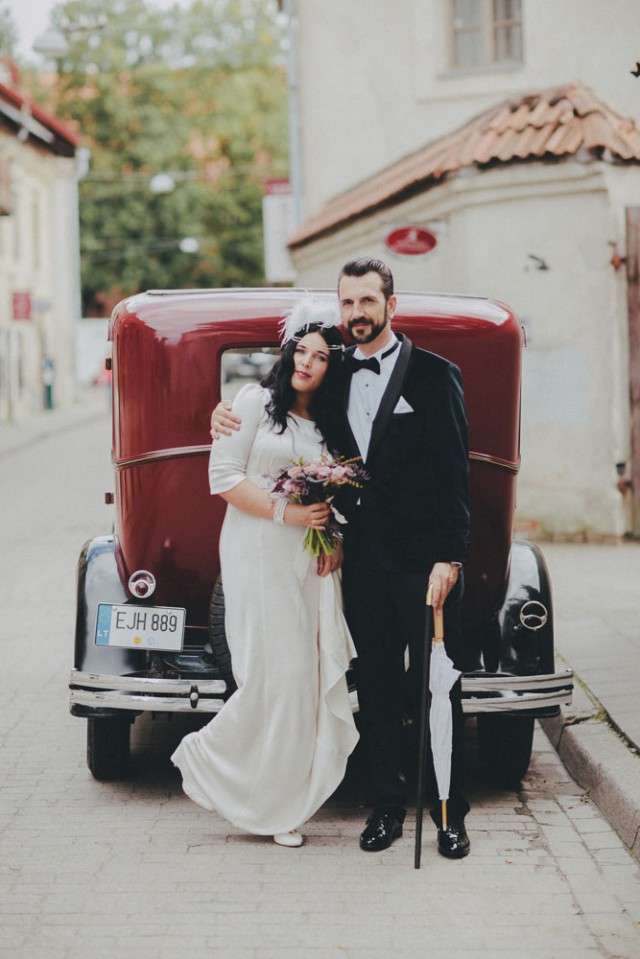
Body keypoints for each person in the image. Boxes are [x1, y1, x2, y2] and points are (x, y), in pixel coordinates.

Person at [212, 258, 472, 860]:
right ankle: (385, 806)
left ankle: (448, 812)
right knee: (377, 686)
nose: (356, 314)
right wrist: (221, 414)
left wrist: (450, 558)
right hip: (360, 562)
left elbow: (454, 474)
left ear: (390, 305)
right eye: (347, 303)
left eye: (367, 302)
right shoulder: (331, 378)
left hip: (423, 562)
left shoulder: (435, 375)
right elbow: (280, 415)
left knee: (435, 686)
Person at [171, 298, 359, 848]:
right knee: (272, 674)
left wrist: (333, 536)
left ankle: (284, 799)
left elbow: (338, 490)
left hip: (307, 557)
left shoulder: (329, 422)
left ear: (332, 366)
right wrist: (289, 513)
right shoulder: (252, 402)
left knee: (303, 675)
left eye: (320, 356)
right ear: (287, 351)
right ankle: (214, 760)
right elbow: (223, 477)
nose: (306, 362)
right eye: (300, 350)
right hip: (257, 548)